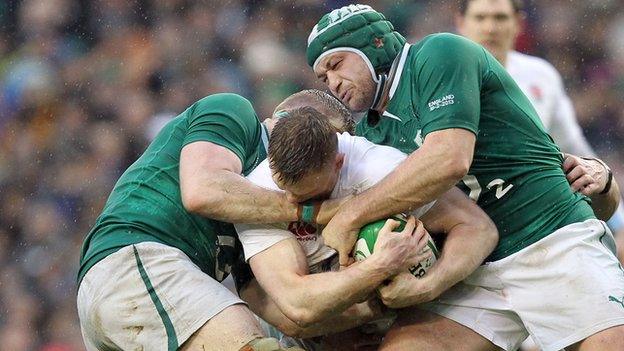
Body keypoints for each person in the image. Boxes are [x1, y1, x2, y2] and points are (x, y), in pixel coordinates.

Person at [307, 4, 623, 351]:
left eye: (337, 65)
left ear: (376, 46)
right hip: (472, 267)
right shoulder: (366, 132)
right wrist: (418, 283)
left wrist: (352, 216)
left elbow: (450, 159)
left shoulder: (440, 53)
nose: (333, 83)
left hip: (549, 238)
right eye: (323, 77)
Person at [76, 91, 352, 351]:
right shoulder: (233, 112)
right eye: (334, 143)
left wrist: (372, 303)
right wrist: (310, 211)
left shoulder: (267, 215)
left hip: (138, 300)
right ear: (290, 119)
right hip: (135, 261)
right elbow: (201, 190)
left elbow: (285, 313)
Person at [235, 106, 498, 349]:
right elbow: (298, 308)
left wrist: (428, 285)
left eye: (307, 197)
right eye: (284, 190)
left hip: (417, 313)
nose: (291, 203)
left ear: (338, 162)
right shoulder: (259, 192)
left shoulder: (379, 169)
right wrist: (382, 265)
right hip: (318, 333)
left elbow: (478, 229)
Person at [454, 0, 624, 260]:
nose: (490, 28)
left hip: (538, 221)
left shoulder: (541, 77)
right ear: (461, 23)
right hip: (464, 218)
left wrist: (618, 223)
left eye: (500, 18)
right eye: (480, 18)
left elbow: (577, 152)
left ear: (519, 23)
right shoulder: (440, 79)